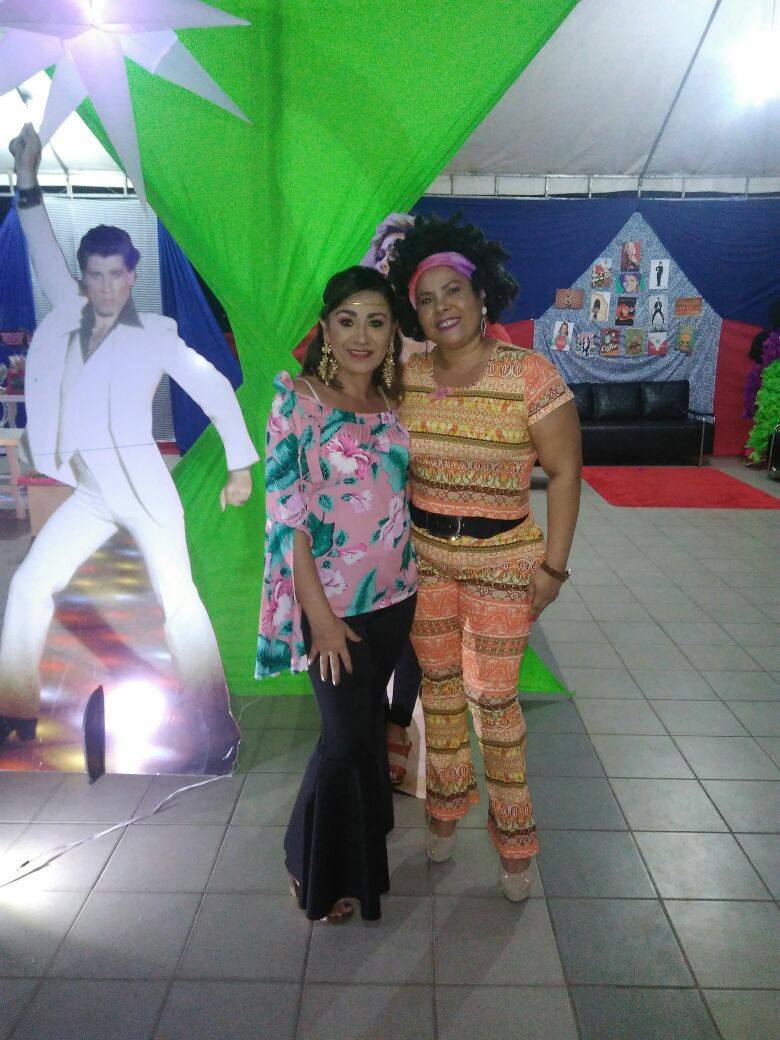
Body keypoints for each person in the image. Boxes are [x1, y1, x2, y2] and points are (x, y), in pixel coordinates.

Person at [0, 125, 258, 771]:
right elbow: (41, 247)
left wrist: (239, 463)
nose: (107, 286)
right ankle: (13, 712)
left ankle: (214, 724)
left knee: (179, 599)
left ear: (131, 274)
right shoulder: (69, 315)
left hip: (143, 484)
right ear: (84, 277)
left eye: (117, 274)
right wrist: (26, 177)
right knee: (29, 583)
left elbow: (214, 387)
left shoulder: (156, 333)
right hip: (92, 490)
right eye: (95, 275)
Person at [388, 214, 581, 901]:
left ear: (481, 295)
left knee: (493, 701)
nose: (442, 307)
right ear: (414, 313)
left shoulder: (530, 375)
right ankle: (444, 811)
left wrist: (553, 567)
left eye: (454, 291)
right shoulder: (405, 377)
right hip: (426, 560)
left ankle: (515, 842)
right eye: (425, 298)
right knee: (438, 692)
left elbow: (565, 472)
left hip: (504, 562)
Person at [256, 265, 417, 922]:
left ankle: (346, 861)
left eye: (376, 322)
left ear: (392, 332)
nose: (361, 335)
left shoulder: (395, 404)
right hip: (334, 608)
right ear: (325, 328)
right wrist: (318, 618)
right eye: (347, 320)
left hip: (398, 598)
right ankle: (308, 863)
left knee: (362, 731)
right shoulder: (296, 401)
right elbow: (286, 518)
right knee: (346, 739)